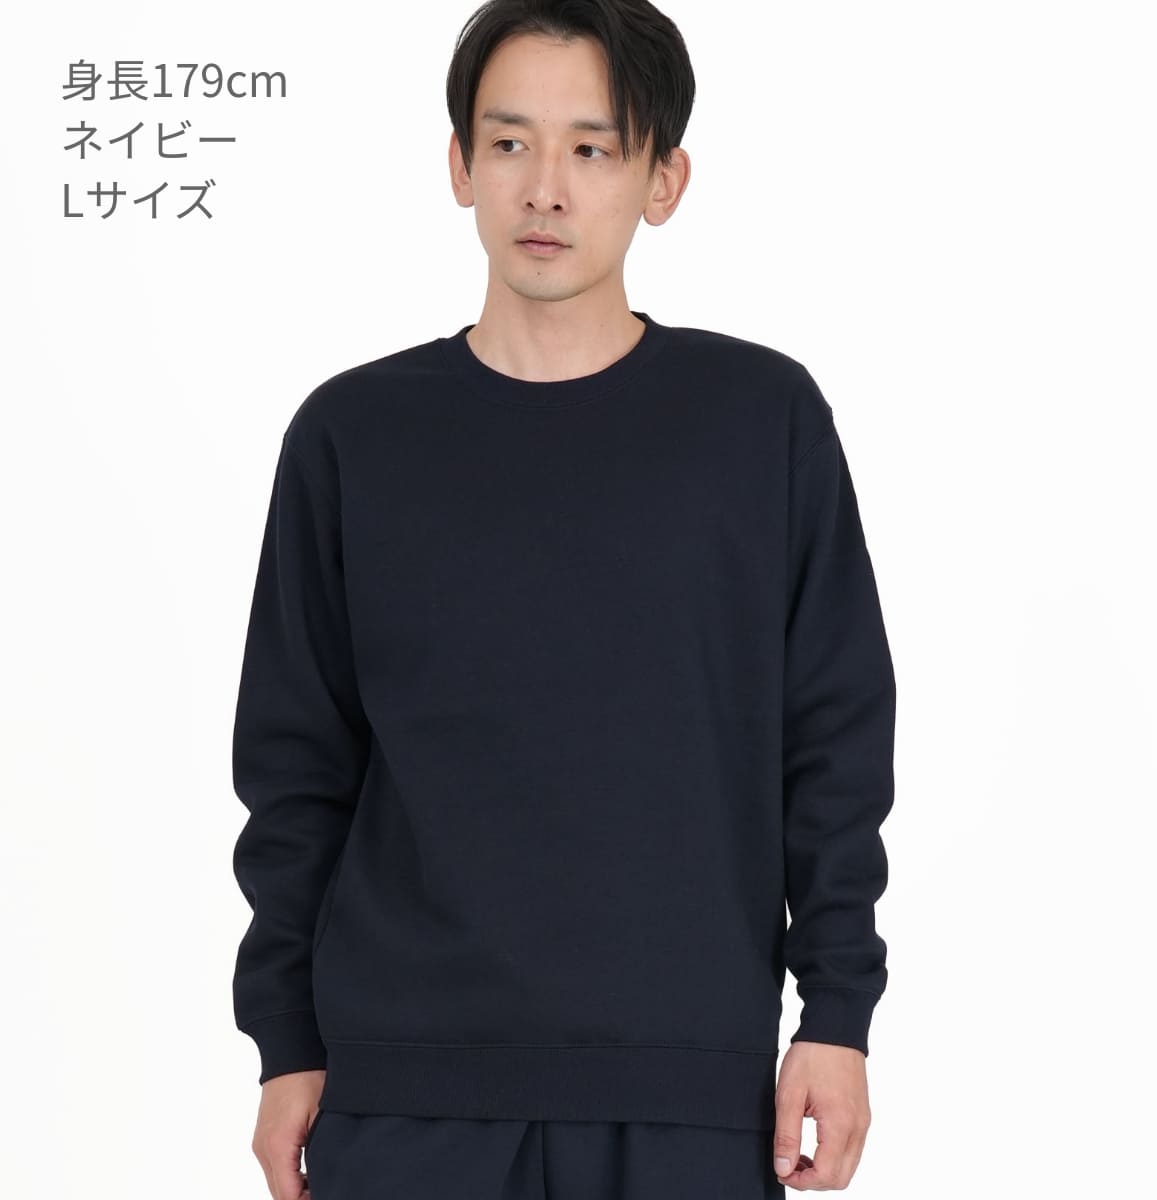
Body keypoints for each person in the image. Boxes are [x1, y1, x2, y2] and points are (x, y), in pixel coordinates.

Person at [229, 1, 896, 1196]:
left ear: (662, 180)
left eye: (592, 148)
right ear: (459, 165)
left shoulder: (760, 422)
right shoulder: (353, 437)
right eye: (509, 143)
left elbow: (834, 739)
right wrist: (287, 1042)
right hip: (406, 1093)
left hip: (688, 1091)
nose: (545, 188)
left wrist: (836, 1015)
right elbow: (296, 769)